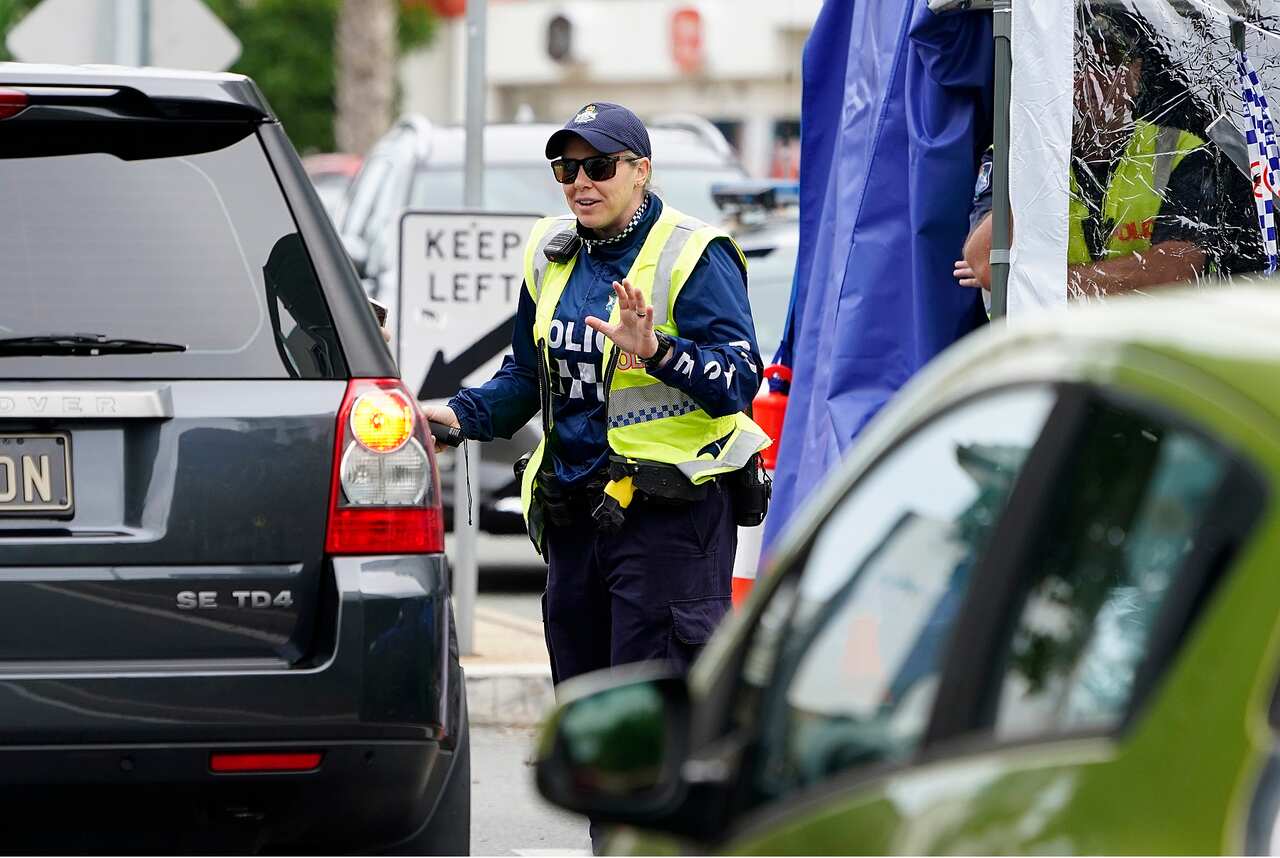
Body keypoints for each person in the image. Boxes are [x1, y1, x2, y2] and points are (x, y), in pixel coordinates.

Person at [422, 103, 768, 687]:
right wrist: (455, 416)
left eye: (600, 166)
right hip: (578, 511)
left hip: (670, 519)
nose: (581, 182)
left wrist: (657, 350)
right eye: (566, 168)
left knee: (650, 710)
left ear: (642, 171)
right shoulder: (551, 252)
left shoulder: (695, 253)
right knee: (584, 702)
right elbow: (528, 377)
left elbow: (737, 381)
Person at [955, 6, 1221, 299]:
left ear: (1135, 74)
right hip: (1052, 343)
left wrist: (1034, 283)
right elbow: (984, 262)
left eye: (1109, 63)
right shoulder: (1015, 154)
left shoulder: (1180, 151)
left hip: (1147, 341)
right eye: (1078, 65)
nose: (1094, 79)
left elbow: (1175, 271)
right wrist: (1033, 151)